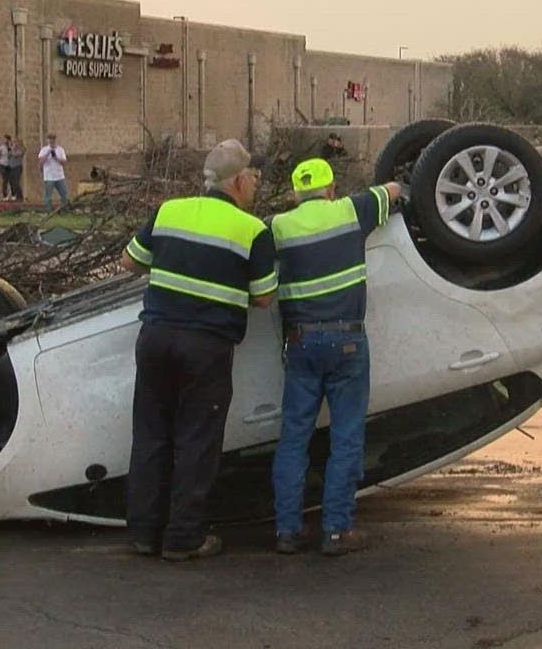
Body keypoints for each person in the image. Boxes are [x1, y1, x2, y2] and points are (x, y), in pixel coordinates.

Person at [120, 138, 278, 561]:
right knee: (196, 441)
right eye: (254, 177)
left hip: (155, 338)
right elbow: (264, 297)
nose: (255, 184)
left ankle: (143, 533)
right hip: (206, 346)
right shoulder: (252, 230)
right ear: (238, 181)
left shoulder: (169, 211)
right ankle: (183, 537)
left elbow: (130, 261)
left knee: (151, 435)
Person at [269, 158, 401, 556]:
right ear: (330, 189)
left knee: (294, 438)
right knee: (346, 438)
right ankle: (336, 532)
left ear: (295, 195)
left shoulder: (278, 227)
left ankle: (287, 532)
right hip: (346, 342)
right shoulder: (351, 210)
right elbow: (394, 191)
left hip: (301, 343)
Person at [38, 133, 69, 211]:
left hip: (59, 176)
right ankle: (48, 210)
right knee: (48, 195)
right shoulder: (44, 150)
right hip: (49, 177)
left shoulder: (60, 149)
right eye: (50, 139)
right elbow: (41, 162)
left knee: (64, 193)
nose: (51, 141)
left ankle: (65, 208)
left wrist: (56, 157)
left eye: (53, 139)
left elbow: (64, 162)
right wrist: (47, 154)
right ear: (48, 140)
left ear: (55, 140)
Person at [7, 135, 25, 202]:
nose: (14, 143)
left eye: (15, 142)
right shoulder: (13, 148)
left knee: (16, 182)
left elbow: (15, 155)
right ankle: (14, 196)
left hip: (17, 167)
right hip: (11, 167)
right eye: (13, 142)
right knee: (11, 182)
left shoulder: (22, 149)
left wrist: (12, 149)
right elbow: (9, 155)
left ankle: (20, 196)